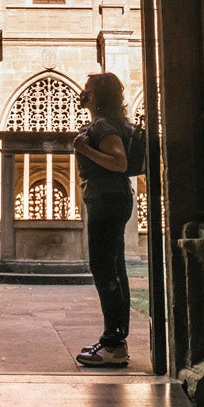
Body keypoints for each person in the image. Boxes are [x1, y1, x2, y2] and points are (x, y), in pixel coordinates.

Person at [71, 71, 134, 368]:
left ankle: (113, 345)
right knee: (115, 269)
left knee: (104, 269)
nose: (83, 91)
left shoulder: (104, 124)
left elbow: (119, 162)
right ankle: (116, 341)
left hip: (107, 201)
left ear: (97, 95)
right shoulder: (108, 122)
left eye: (88, 88)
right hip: (113, 199)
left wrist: (83, 149)